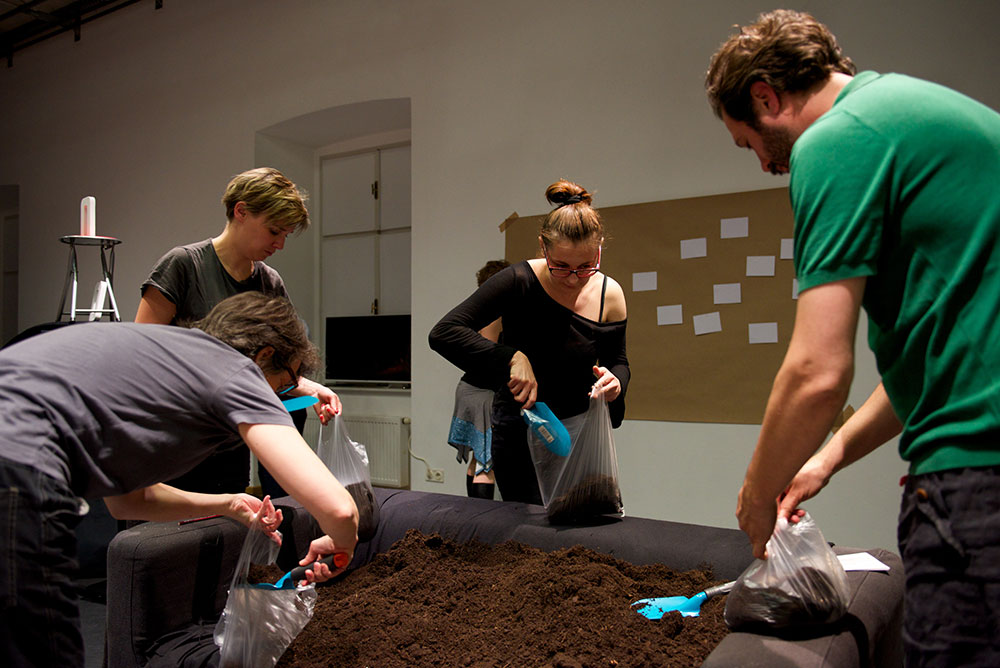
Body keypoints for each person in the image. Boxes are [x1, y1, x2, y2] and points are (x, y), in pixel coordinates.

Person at [706, 9, 1000, 666]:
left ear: (765, 97)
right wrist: (826, 458)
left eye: (748, 144)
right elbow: (937, 371)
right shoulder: (926, 116)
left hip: (977, 485)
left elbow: (817, 372)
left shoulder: (837, 139)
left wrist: (756, 497)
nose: (765, 165)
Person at [0, 292, 358, 668]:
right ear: (265, 355)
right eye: (286, 382)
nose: (280, 394)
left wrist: (229, 504)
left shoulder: (166, 356)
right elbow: (340, 510)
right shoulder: (237, 371)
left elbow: (129, 502)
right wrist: (341, 543)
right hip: (18, 469)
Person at [136, 167, 341, 496]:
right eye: (274, 231)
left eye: (286, 235)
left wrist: (309, 388)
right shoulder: (183, 266)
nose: (280, 244)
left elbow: (275, 364)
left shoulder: (269, 281)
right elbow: (143, 356)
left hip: (230, 446)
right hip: (178, 443)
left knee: (227, 520)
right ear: (241, 211)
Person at [429, 180, 629, 504]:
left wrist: (616, 383)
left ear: (599, 249)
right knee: (526, 527)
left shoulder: (610, 295)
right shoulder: (519, 281)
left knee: (582, 522)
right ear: (543, 247)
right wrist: (511, 357)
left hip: (578, 432)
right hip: (519, 432)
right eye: (561, 266)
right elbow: (445, 332)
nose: (574, 278)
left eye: (586, 266)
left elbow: (618, 360)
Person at [447, 259, 510, 500]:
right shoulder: (493, 315)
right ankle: (480, 520)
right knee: (487, 463)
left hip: (472, 389)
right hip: (482, 392)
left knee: (478, 458)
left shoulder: (480, 312)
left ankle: (472, 515)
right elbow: (490, 355)